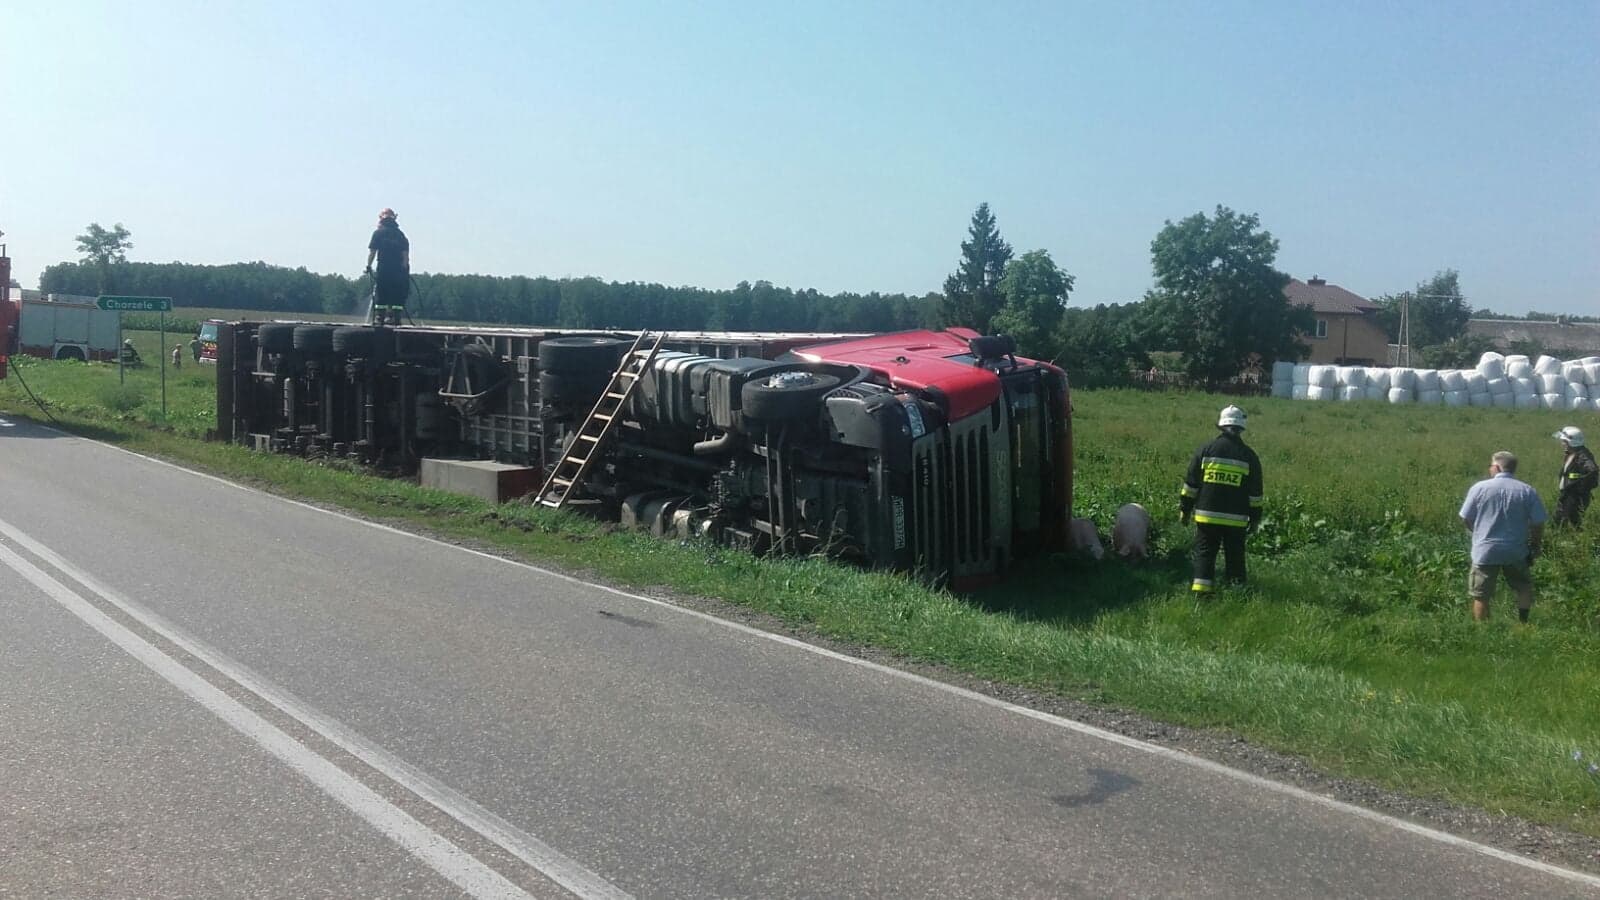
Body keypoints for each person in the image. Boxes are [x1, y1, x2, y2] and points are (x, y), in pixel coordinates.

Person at [1179, 405, 1263, 594]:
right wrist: (1255, 520)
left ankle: (1201, 594)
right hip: (1236, 520)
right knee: (1235, 556)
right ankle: (1236, 593)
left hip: (1206, 518)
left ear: (1221, 426)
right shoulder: (1249, 456)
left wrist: (1185, 510)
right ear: (1241, 428)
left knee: (1205, 554)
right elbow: (1256, 495)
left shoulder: (1206, 450)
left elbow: (1190, 485)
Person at [1459, 451, 1547, 623]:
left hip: (1485, 549)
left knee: (1481, 594)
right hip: (1516, 549)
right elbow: (1538, 522)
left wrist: (1476, 532)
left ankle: (1483, 630)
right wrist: (1535, 545)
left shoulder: (1479, 488)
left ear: (1496, 467)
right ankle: (1523, 623)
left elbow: (1466, 517)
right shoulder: (1527, 490)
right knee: (1523, 586)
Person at [365, 208, 410, 326]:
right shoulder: (401, 235)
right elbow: (405, 256)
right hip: (398, 271)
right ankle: (395, 317)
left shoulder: (378, 233)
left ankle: (379, 317)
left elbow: (372, 252)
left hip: (383, 268)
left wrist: (368, 266)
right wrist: (404, 270)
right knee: (397, 293)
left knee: (382, 291)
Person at [1552, 426, 1597, 528]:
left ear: (1571, 442)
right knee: (1561, 521)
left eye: (1564, 441)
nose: (1562, 443)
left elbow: (1593, 471)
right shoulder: (1571, 453)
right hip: (1567, 494)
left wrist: (1578, 488)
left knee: (1567, 522)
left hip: (1575, 497)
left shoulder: (1583, 456)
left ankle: (1572, 541)